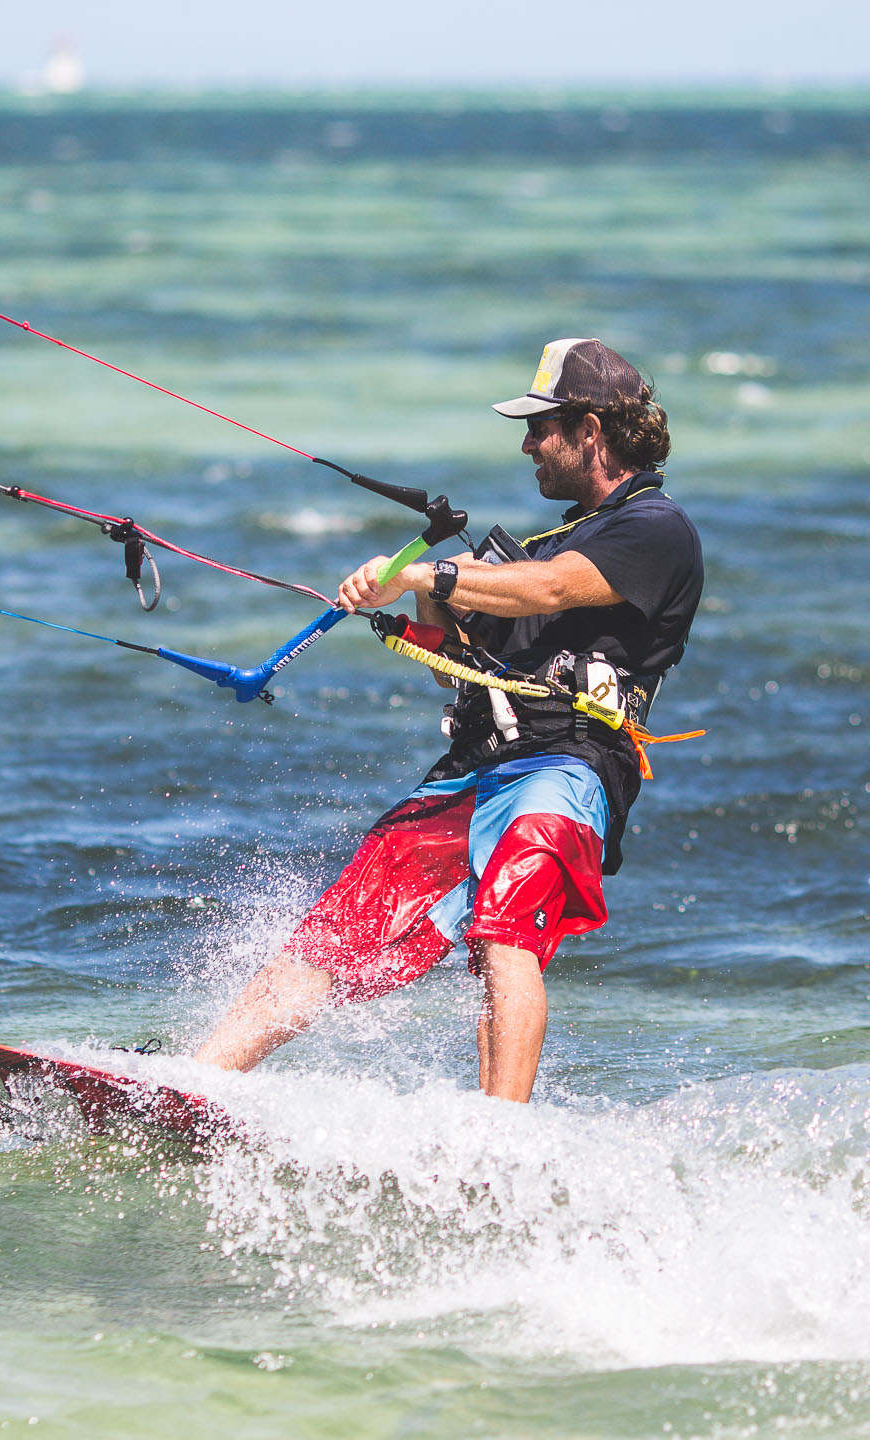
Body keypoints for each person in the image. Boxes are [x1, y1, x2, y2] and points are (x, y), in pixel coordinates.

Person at [194, 338, 703, 1101]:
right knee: (336, 929)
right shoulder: (537, 545)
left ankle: (498, 1140)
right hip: (473, 770)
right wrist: (428, 596)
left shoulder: (655, 529)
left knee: (506, 931)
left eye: (541, 428)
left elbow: (553, 590)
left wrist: (429, 573)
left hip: (565, 769)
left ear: (590, 431)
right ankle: (193, 1084)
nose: (528, 445)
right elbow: (452, 659)